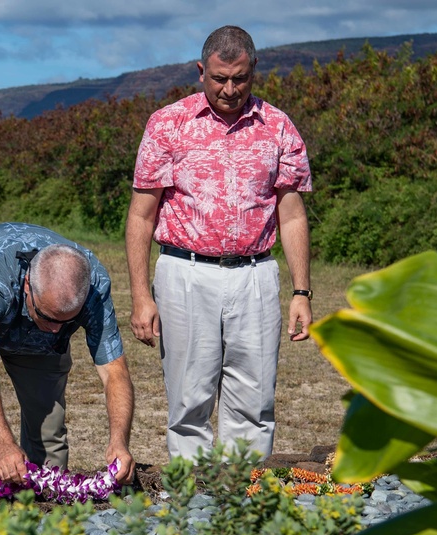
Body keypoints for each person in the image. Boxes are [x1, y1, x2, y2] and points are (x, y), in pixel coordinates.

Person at [125, 25, 313, 463]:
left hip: (256, 274)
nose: (230, 89)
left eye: (240, 78)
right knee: (189, 398)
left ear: (254, 71)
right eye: (219, 78)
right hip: (184, 272)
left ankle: (241, 502)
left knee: (255, 397)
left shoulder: (279, 126)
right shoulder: (167, 124)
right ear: (200, 72)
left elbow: (292, 214)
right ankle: (193, 501)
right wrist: (139, 295)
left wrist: (301, 291)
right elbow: (140, 215)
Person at [0, 222, 136, 486]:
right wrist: (3, 446)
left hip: (27, 307)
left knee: (49, 424)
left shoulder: (93, 287)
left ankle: (44, 514)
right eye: (49, 317)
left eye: (66, 322)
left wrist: (119, 442)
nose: (55, 330)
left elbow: (115, 372)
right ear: (27, 285)